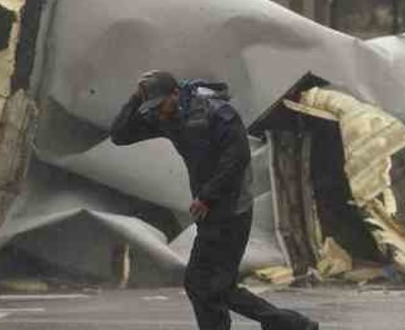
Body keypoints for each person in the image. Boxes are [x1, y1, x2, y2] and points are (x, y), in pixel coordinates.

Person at [111, 70, 318, 330]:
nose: (158, 111)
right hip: (209, 211)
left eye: (161, 103)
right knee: (211, 286)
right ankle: (290, 325)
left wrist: (208, 197)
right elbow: (120, 136)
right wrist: (135, 99)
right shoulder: (167, 116)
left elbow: (237, 159)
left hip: (232, 208)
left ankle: (290, 324)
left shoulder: (217, 114)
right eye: (152, 106)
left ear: (175, 94)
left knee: (205, 284)